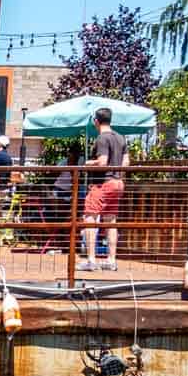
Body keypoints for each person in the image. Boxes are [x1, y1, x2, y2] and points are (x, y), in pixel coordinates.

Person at [81, 107, 130, 272]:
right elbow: (125, 163)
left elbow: (102, 162)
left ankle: (91, 260)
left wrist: (88, 163)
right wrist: (118, 177)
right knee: (110, 220)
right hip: (117, 183)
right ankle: (111, 260)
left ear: (96, 121)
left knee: (90, 217)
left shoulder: (102, 138)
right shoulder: (121, 138)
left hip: (102, 183)